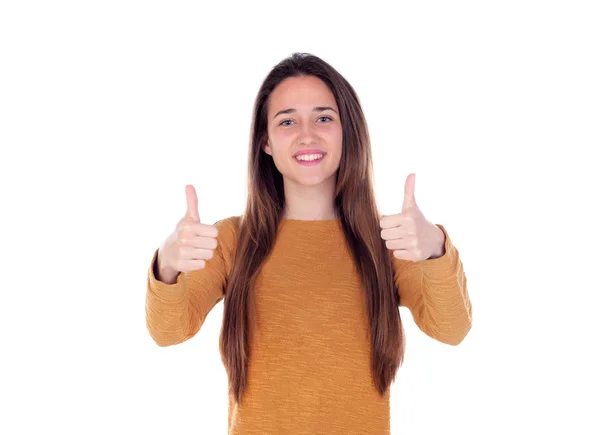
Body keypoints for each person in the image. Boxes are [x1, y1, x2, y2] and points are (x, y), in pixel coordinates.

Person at [145, 52, 472, 435]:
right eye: (287, 121)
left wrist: (435, 246)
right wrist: (167, 264)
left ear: (346, 129)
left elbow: (452, 329)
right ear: (266, 141)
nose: (307, 134)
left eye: (323, 117)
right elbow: (168, 331)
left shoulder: (390, 240)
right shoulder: (233, 240)